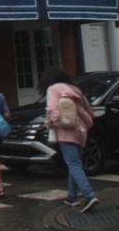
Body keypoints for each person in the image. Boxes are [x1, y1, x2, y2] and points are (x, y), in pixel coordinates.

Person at [40, 66, 97, 213]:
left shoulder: (53, 89)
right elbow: (88, 110)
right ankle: (72, 197)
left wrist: (50, 123)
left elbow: (52, 109)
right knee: (75, 164)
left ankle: (89, 195)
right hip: (80, 131)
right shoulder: (74, 89)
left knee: (73, 164)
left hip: (66, 131)